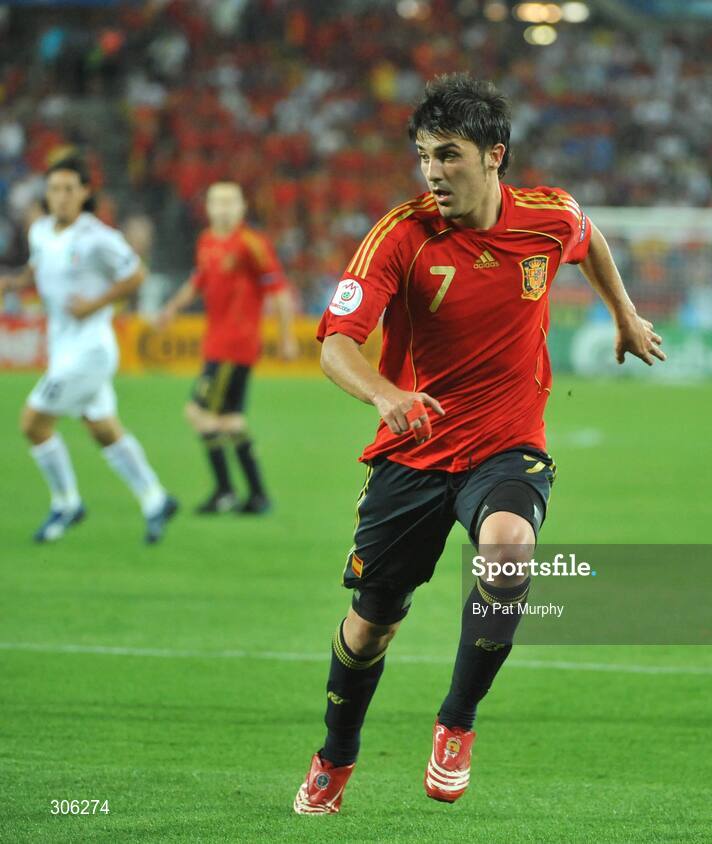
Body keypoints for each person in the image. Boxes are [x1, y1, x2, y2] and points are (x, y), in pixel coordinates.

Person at [293, 74, 665, 815]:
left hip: (507, 444)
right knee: (373, 622)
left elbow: (588, 242)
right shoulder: (400, 234)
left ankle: (455, 724)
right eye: (425, 155)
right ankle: (335, 757)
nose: (433, 172)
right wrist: (386, 394)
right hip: (414, 450)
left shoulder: (547, 217)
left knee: (507, 550)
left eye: (449, 155)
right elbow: (336, 344)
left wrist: (624, 313)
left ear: (494, 157)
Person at [0, 157, 177, 544]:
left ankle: (66, 503)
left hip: (90, 351)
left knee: (33, 423)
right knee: (101, 428)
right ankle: (155, 498)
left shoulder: (97, 236)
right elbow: (37, 267)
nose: (61, 197)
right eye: (54, 189)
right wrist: (12, 283)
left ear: (84, 193)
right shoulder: (42, 230)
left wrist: (96, 304)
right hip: (62, 348)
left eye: (69, 189)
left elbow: (136, 274)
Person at [155, 182, 297, 515]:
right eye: (217, 201)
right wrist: (172, 308)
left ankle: (224, 491)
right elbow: (200, 280)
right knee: (230, 420)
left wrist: (287, 337)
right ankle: (258, 495)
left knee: (198, 413)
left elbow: (278, 290)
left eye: (230, 201)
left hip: (234, 346)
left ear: (242, 207)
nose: (223, 207)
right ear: (208, 207)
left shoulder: (252, 243)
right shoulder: (206, 241)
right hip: (217, 344)